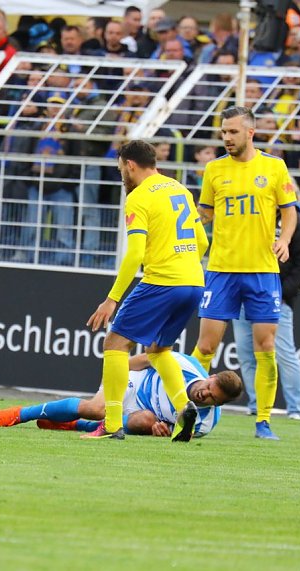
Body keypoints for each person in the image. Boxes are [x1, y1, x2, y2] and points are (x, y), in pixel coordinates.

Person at [86, 140, 208, 441]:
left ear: (129, 165)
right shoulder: (179, 188)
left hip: (162, 281)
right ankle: (183, 406)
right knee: (158, 349)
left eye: (120, 169)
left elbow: (135, 254)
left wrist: (112, 299)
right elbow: (203, 242)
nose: (121, 175)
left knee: (114, 344)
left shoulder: (138, 197)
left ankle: (111, 424)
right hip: (194, 281)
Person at [191, 106, 298, 441]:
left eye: (233, 132)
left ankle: (263, 421)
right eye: (223, 132)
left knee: (265, 345)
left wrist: (284, 239)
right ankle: (190, 409)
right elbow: (204, 214)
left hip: (262, 273)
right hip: (221, 271)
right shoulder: (214, 169)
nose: (226, 138)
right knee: (205, 347)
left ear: (250, 133)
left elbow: (289, 211)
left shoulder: (274, 167)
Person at [0, 352, 243, 438]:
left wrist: (160, 433)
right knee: (97, 408)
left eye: (211, 398)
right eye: (208, 387)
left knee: (147, 421)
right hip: (131, 380)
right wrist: (115, 380)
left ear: (220, 404)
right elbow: (133, 361)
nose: (203, 394)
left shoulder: (206, 423)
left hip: (141, 413)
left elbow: (176, 438)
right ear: (210, 376)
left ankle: (76, 424)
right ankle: (19, 414)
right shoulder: (183, 365)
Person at [234, 207, 300, 419]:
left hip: (274, 297)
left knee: (283, 353)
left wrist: (281, 291)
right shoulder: (253, 215)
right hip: (244, 293)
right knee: (246, 353)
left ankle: (296, 408)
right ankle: (256, 404)